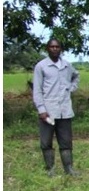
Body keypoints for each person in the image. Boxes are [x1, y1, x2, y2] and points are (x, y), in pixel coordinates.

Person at [32, 38, 80, 176]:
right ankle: (50, 169)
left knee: (66, 141)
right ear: (47, 49)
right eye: (52, 47)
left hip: (64, 111)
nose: (54, 49)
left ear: (61, 49)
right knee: (46, 141)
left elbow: (76, 76)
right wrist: (41, 109)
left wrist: (71, 88)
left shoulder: (66, 66)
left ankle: (69, 168)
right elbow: (37, 90)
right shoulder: (41, 66)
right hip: (48, 111)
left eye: (57, 46)